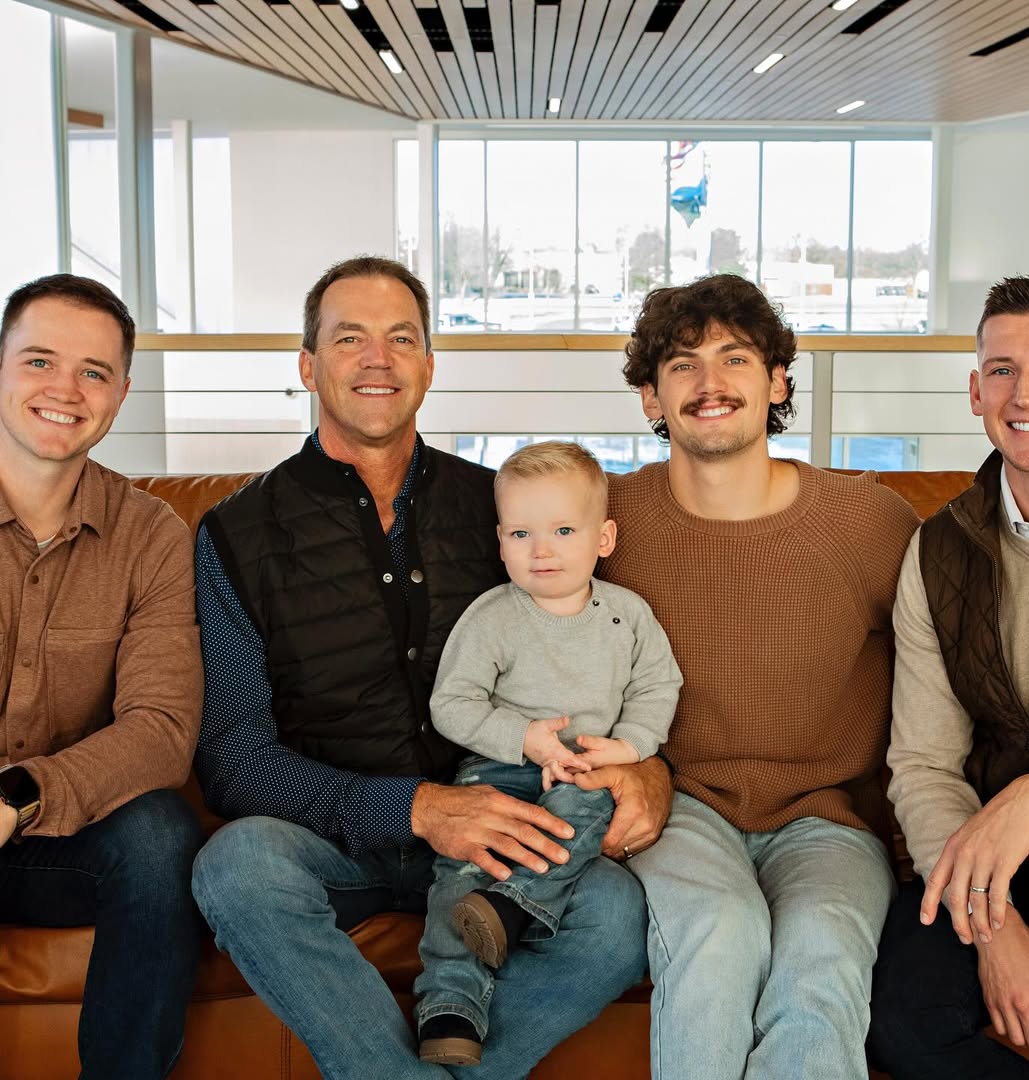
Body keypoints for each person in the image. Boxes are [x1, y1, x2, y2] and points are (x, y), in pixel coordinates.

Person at [189, 256, 662, 1080]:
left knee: (620, 915)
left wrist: (650, 768)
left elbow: (607, 650)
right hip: (336, 839)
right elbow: (233, 761)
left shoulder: (503, 513)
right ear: (307, 365)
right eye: (350, 339)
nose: (378, 360)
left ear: (429, 366)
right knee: (235, 868)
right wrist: (415, 807)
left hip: (504, 832)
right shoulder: (236, 532)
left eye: (401, 338)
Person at [594, 272, 920, 1079]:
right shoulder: (606, 521)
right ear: (649, 397)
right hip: (682, 804)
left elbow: (940, 678)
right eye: (681, 364)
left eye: (734, 359)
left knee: (823, 953)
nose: (710, 384)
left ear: (776, 381)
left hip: (829, 818)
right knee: (720, 928)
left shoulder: (868, 521)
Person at [868, 276, 1029, 1078]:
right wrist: (993, 925)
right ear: (974, 390)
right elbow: (923, 763)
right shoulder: (939, 549)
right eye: (1001, 370)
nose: (1025, 393)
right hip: (1000, 865)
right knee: (899, 1020)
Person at [414, 440, 682, 1065]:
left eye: (564, 530)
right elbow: (451, 705)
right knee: (462, 874)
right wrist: (523, 738)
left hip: (591, 772)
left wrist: (631, 747)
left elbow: (657, 685)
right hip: (502, 772)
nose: (543, 550)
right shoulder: (492, 618)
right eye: (522, 533)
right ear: (500, 541)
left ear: (604, 538)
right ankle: (450, 1007)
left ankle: (511, 909)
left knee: (575, 816)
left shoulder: (627, 616)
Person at [0, 274, 204, 1079]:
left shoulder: (151, 533)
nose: (65, 389)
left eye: (94, 371)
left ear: (121, 392)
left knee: (160, 836)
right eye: (39, 361)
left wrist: (19, 796)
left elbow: (161, 732)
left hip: (55, 836)